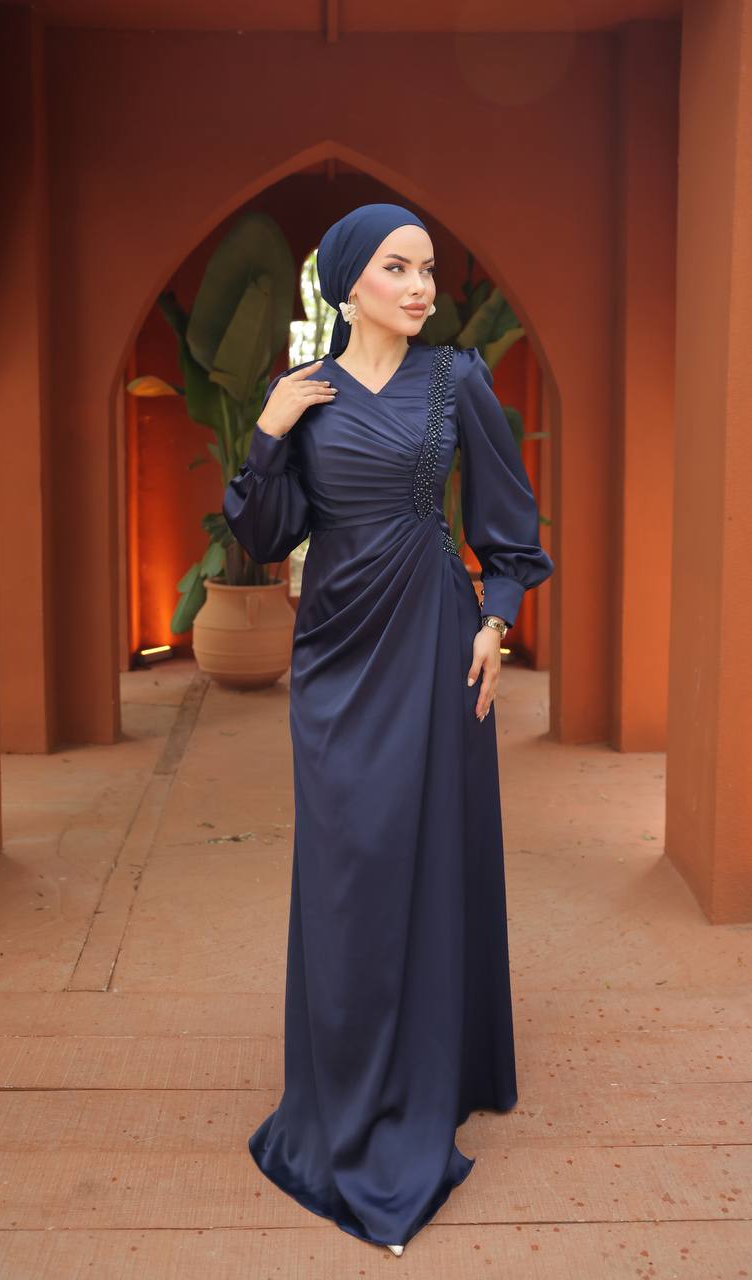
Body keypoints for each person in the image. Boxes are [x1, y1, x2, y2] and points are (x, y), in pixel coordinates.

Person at [222, 202, 555, 1256]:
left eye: (426, 269)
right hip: (335, 652)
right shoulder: (302, 394)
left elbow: (507, 520)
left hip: (435, 642)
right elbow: (266, 533)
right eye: (397, 268)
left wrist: (495, 621)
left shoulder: (455, 379)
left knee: (432, 852)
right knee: (349, 860)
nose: (420, 287)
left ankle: (429, 1077)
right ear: (349, 282)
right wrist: (268, 433)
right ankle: (342, 1082)